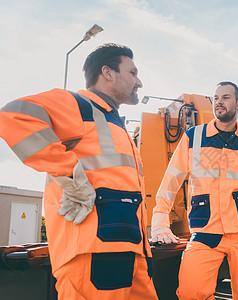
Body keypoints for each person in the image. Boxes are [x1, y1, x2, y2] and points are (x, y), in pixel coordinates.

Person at [0, 43, 158, 299]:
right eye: (132, 72)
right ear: (107, 72)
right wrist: (71, 175)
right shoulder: (78, 104)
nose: (138, 81)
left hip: (131, 250)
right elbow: (12, 115)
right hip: (93, 253)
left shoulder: (113, 121)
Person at [151, 81, 238, 299]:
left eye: (225, 97)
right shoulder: (193, 137)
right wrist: (160, 220)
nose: (219, 102)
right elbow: (170, 182)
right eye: (215, 98)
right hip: (206, 231)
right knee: (190, 292)